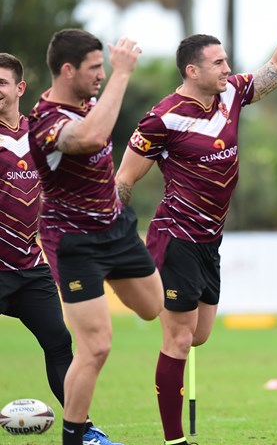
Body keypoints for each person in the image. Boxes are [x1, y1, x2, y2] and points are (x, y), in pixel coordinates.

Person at [114, 0, 277, 445]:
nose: (227, 68)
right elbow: (124, 179)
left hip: (209, 241)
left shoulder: (232, 95)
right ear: (192, 70)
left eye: (226, 61)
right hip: (175, 237)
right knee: (179, 340)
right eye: (218, 62)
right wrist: (113, 233)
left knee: (198, 336)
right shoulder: (161, 119)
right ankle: (174, 440)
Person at [28, 31, 165, 445]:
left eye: (104, 67)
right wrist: (122, 73)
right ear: (67, 70)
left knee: (153, 306)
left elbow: (98, 125)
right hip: (75, 243)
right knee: (96, 346)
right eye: (94, 68)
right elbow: (88, 138)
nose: (102, 74)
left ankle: (107, 277)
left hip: (115, 229)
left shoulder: (88, 104)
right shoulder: (46, 121)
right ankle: (77, 438)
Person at [0, 53, 124, 445]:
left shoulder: (40, 132)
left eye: (1, 82)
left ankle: (82, 432)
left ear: (20, 88)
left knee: (59, 343)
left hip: (30, 266)